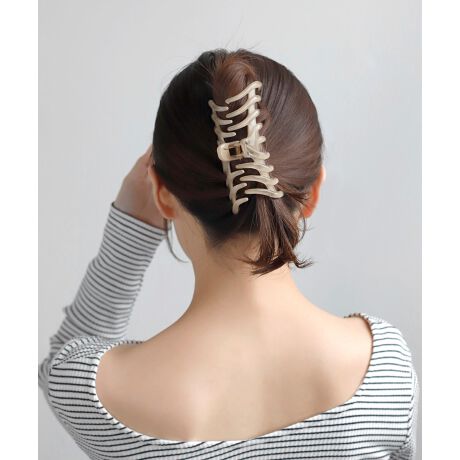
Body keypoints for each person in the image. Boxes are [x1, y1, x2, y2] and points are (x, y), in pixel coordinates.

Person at [39, 48, 419, 459]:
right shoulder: (385, 375)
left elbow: (64, 360)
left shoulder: (98, 394)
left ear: (163, 194)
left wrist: (131, 228)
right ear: (311, 193)